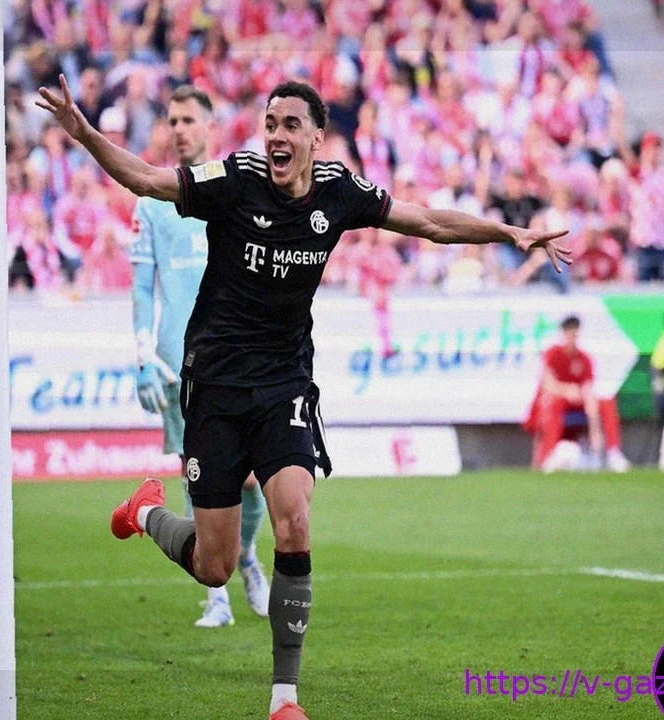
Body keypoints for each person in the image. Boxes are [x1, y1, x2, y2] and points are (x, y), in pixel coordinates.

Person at [36, 75, 570, 720]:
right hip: (216, 383)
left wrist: (509, 233)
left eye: (291, 125)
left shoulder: (340, 190)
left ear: (317, 137)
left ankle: (284, 698)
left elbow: (428, 221)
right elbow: (148, 180)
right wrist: (84, 133)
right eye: (270, 124)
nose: (277, 135)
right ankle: (147, 512)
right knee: (213, 565)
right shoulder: (236, 178)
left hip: (284, 381)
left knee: (294, 519)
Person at [130, 85, 271, 629]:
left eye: (189, 119)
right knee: (200, 477)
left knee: (253, 479)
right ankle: (216, 595)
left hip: (238, 356)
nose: (179, 129)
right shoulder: (152, 200)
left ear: (210, 127)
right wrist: (144, 355)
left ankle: (246, 555)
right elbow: (142, 286)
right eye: (172, 120)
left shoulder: (234, 187)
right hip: (179, 361)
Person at [522, 316, 629, 472]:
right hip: (558, 399)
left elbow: (588, 389)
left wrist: (594, 428)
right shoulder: (553, 354)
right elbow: (547, 383)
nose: (573, 338)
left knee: (607, 401)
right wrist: (566, 390)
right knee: (552, 403)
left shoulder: (584, 358)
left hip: (578, 402)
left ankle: (613, 452)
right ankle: (549, 455)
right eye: (570, 334)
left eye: (575, 334)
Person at [628, 131, 664, 282]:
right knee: (642, 287)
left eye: (657, 149)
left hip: (662, 240)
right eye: (650, 149)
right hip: (643, 241)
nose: (654, 154)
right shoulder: (638, 173)